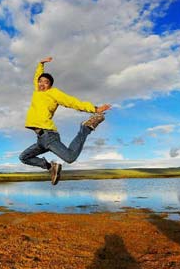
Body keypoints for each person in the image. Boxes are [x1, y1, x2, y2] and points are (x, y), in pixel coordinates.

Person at [19, 57, 111, 185]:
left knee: (70, 158)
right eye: (40, 81)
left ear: (50, 85)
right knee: (24, 157)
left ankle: (85, 128)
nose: (41, 84)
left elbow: (72, 102)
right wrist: (41, 64)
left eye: (45, 82)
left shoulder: (53, 93)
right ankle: (51, 167)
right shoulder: (37, 92)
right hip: (40, 139)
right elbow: (37, 77)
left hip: (49, 136)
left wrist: (94, 108)